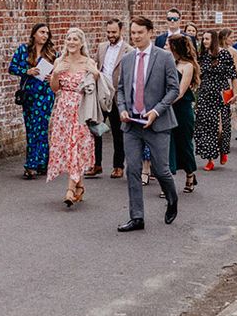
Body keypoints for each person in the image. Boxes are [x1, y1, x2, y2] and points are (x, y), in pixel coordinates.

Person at [116, 16, 179, 231]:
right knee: (132, 169)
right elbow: (121, 90)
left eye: (139, 33)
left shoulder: (164, 57)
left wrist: (156, 111)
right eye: (132, 33)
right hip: (132, 124)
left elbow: (174, 89)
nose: (135, 37)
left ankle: (172, 199)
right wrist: (122, 109)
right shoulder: (127, 59)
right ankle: (137, 217)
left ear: (150, 32)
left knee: (161, 170)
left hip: (157, 123)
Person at [47, 28, 99, 206]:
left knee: (77, 145)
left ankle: (70, 189)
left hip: (82, 107)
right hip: (63, 109)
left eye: (75, 39)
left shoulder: (88, 62)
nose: (71, 42)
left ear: (81, 42)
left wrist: (95, 73)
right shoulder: (59, 61)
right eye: (69, 38)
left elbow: (97, 84)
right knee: (68, 147)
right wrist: (55, 73)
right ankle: (80, 185)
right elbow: (55, 89)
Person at [9, 23, 57, 179]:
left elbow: (60, 71)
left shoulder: (51, 52)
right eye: (42, 32)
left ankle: (31, 165)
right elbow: (12, 68)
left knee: (39, 126)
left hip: (45, 94)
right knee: (33, 128)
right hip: (29, 95)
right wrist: (26, 71)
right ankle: (43, 163)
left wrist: (53, 77)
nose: (44, 35)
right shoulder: (23, 50)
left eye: (47, 33)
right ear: (34, 34)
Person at [86, 18, 131, 179]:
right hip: (101, 95)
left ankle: (118, 166)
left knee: (118, 133)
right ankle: (96, 164)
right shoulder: (101, 47)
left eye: (114, 32)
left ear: (121, 31)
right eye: (108, 32)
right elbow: (96, 66)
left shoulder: (129, 50)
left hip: (118, 96)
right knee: (95, 129)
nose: (110, 35)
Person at [194, 30, 237, 171]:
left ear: (213, 40)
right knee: (207, 127)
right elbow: (198, 76)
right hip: (205, 95)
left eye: (207, 39)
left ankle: (223, 150)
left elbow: (233, 75)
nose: (204, 41)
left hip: (220, 94)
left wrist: (235, 93)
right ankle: (210, 159)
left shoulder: (224, 54)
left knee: (220, 128)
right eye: (203, 39)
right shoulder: (202, 56)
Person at [168, 35, 200, 194]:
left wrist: (163, 104)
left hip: (182, 109)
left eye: (169, 46)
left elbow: (180, 92)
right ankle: (169, 181)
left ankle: (190, 174)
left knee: (184, 143)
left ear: (176, 48)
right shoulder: (169, 62)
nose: (166, 48)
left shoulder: (188, 66)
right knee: (168, 144)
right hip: (168, 109)